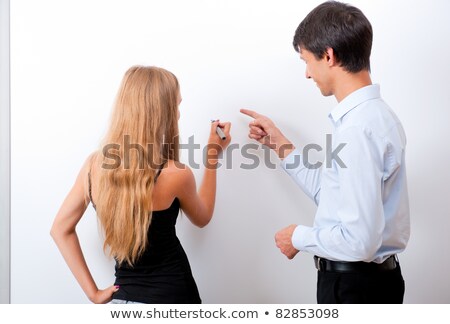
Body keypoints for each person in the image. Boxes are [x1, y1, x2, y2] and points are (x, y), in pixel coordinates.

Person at [241, 1, 409, 303]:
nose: (307, 74)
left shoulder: (358, 129)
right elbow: (337, 198)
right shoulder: (375, 117)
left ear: (328, 55)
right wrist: (282, 146)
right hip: (367, 285)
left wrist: (298, 237)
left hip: (354, 288)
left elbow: (359, 242)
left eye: (307, 60)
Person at [50, 66, 231, 304]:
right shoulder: (175, 174)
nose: (178, 114)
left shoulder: (94, 167)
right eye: (176, 106)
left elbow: (60, 229)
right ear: (161, 113)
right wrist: (212, 157)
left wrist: (93, 294)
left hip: (122, 302)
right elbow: (202, 217)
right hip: (174, 299)